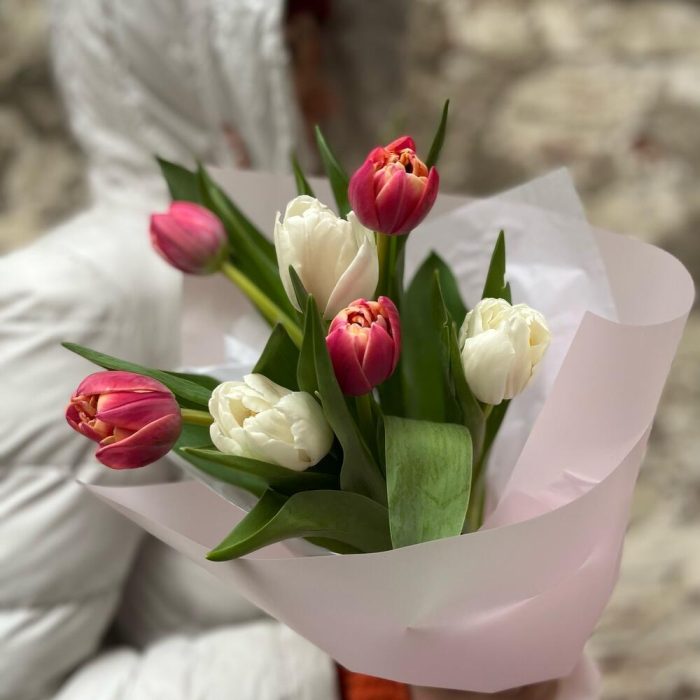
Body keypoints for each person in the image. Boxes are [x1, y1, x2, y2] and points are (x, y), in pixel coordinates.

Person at [0, 1, 567, 697]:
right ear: (209, 58)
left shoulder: (337, 245)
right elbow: (19, 678)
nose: (326, 90)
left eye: (327, 40)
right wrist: (351, 675)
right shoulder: (71, 296)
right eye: (293, 45)